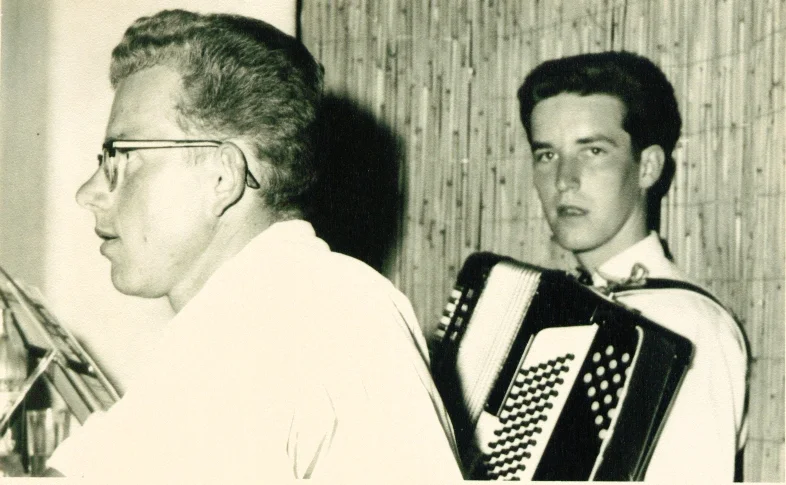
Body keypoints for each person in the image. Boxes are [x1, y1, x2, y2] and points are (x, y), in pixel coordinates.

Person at [46, 10, 462, 482]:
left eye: (121, 157)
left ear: (221, 177)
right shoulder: (303, 294)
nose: (89, 192)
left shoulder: (270, 318)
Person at [516, 51, 748, 482]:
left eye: (593, 151)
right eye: (546, 155)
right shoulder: (554, 306)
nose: (564, 179)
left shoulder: (689, 327)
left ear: (648, 168)